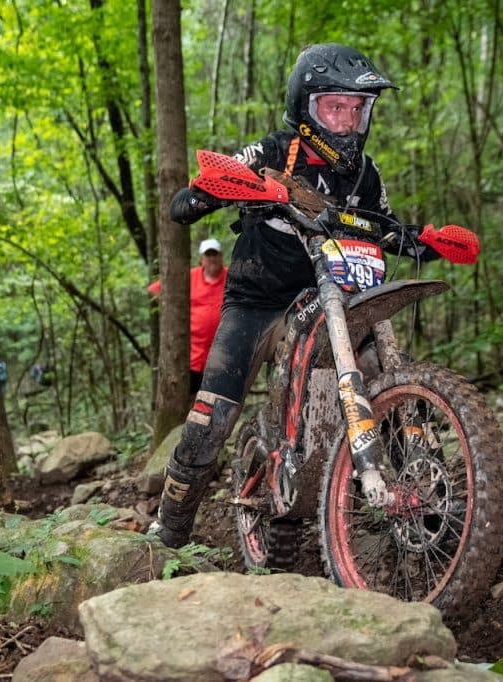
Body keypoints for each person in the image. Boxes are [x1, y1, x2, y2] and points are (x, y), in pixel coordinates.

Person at [151, 43, 438, 548]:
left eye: (358, 108)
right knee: (212, 415)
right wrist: (212, 191)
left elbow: (386, 229)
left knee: (380, 375)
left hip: (328, 298)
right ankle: (168, 531)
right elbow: (186, 202)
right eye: (335, 106)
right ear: (306, 108)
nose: (348, 121)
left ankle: (425, 498)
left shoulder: (366, 175)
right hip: (256, 301)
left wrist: (426, 241)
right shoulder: (273, 151)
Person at [147, 238, 228, 394]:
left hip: (220, 356)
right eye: (208, 255)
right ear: (201, 259)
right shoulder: (189, 277)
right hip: (190, 356)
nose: (212, 258)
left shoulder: (231, 278)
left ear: (221, 256)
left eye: (215, 254)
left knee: (215, 401)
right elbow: (154, 290)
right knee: (188, 399)